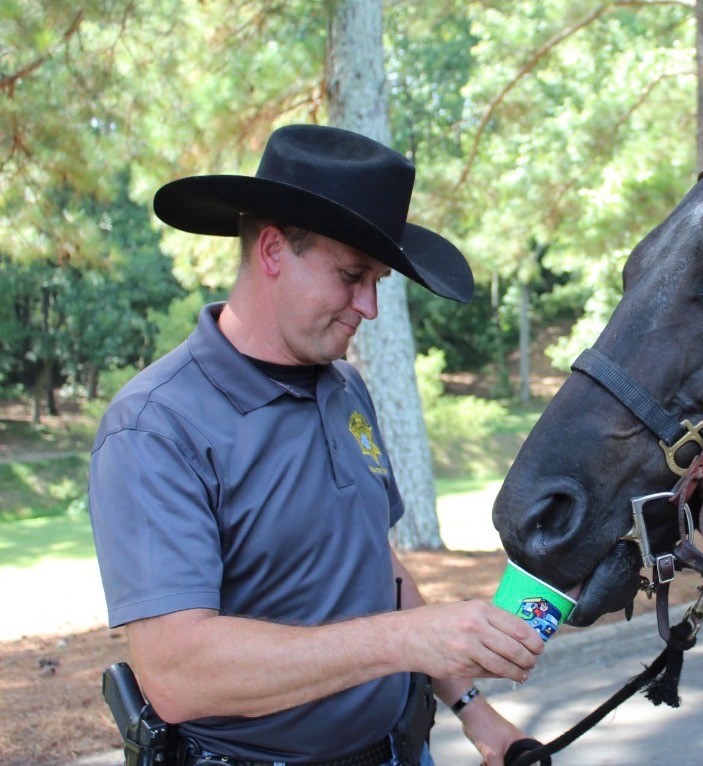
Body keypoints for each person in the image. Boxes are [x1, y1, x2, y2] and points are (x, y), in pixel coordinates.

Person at [88, 124, 545, 766]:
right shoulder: (155, 425)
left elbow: (376, 565)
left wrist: (475, 710)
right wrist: (404, 641)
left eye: (378, 279)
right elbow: (177, 675)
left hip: (397, 750)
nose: (370, 306)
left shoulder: (344, 388)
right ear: (273, 249)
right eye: (352, 275)